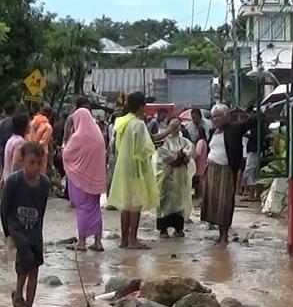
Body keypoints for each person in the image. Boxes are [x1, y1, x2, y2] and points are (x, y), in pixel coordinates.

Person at [0, 142, 50, 307]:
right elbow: (4, 208)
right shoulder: (13, 181)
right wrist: (8, 234)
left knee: (35, 269)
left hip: (34, 230)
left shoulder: (44, 184)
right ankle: (18, 293)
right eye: (31, 162)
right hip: (17, 228)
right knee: (25, 260)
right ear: (22, 161)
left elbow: (42, 209)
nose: (35, 167)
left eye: (39, 163)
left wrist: (38, 232)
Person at [106, 92, 158, 249]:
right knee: (136, 205)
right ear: (142, 107)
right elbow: (145, 148)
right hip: (136, 167)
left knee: (126, 204)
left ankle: (124, 240)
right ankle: (133, 240)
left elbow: (116, 144)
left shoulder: (122, 122)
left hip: (123, 165)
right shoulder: (138, 124)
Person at [204, 103, 258, 245]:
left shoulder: (234, 128)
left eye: (219, 116)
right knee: (214, 203)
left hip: (226, 170)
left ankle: (224, 236)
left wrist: (253, 111)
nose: (215, 119)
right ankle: (219, 235)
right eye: (213, 116)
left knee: (225, 203)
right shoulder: (212, 131)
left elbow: (251, 122)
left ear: (226, 116)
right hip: (212, 170)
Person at [62, 107, 106, 252]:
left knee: (82, 209)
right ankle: (98, 242)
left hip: (80, 179)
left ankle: (81, 242)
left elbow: (66, 154)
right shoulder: (98, 135)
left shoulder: (77, 137)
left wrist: (69, 137)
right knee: (94, 208)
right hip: (96, 179)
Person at [152, 116, 196, 238]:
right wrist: (178, 157)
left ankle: (178, 228)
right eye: (174, 124)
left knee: (179, 202)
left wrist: (182, 157)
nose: (176, 126)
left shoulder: (185, 141)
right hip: (166, 177)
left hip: (180, 178)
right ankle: (163, 229)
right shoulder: (163, 140)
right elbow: (166, 156)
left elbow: (188, 154)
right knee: (164, 202)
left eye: (178, 124)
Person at [1, 113, 29, 194]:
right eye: (28, 123)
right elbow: (16, 163)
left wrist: (3, 179)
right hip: (15, 182)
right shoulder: (20, 142)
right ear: (24, 126)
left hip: (7, 177)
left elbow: (6, 162)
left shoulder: (10, 139)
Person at [27, 105, 53, 175]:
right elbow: (44, 142)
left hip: (29, 151)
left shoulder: (31, 123)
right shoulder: (48, 127)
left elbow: (27, 137)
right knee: (40, 175)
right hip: (41, 153)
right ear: (50, 115)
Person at [0, 102, 16, 181]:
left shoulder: (0, 123)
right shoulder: (15, 121)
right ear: (14, 110)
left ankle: (2, 190)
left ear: (4, 111)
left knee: (3, 171)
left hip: (2, 150)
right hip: (14, 150)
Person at [192, 124, 210, 206]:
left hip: (199, 164)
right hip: (203, 163)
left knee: (199, 181)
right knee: (200, 180)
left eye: (196, 131)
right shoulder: (204, 141)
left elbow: (198, 153)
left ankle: (200, 197)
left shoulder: (200, 142)